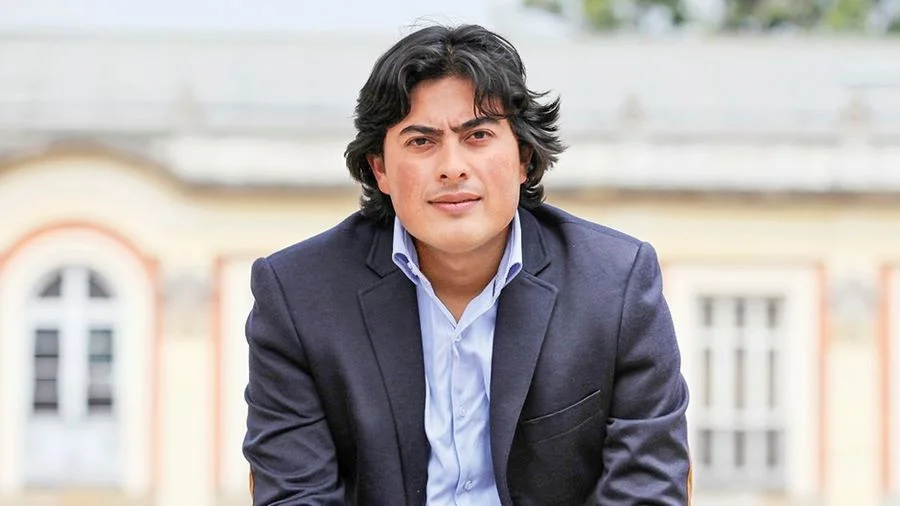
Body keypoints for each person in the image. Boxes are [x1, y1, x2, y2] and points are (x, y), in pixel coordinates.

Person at [243, 23, 691, 506]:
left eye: (477, 135)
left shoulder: (616, 283)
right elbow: (295, 494)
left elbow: (647, 489)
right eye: (421, 141)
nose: (452, 167)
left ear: (523, 157)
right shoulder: (297, 295)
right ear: (380, 169)